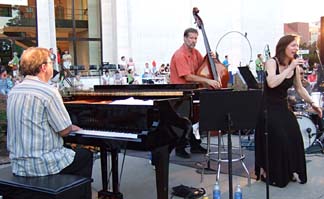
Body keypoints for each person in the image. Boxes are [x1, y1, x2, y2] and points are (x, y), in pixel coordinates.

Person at [6, 47, 93, 199]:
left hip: (18, 164)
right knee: (85, 155)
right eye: (52, 63)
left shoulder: (14, 91)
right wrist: (74, 127)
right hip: (41, 164)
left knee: (69, 151)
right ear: (43, 67)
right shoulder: (48, 91)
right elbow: (64, 130)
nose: (54, 67)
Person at [254, 35, 322, 188]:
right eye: (293, 45)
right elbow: (271, 83)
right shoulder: (272, 63)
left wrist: (312, 103)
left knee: (294, 136)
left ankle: (291, 170)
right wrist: (290, 68)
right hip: (268, 108)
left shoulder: (295, 67)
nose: (296, 49)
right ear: (283, 46)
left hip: (283, 107)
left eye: (297, 46)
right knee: (280, 137)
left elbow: (299, 88)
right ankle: (272, 173)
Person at [170, 27, 221, 158]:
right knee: (184, 121)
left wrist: (211, 58)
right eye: (191, 38)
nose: (194, 41)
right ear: (185, 38)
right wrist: (208, 81)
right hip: (181, 93)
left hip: (192, 91)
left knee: (194, 119)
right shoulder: (179, 55)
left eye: (196, 38)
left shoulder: (195, 53)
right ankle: (179, 148)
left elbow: (202, 66)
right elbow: (188, 76)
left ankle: (195, 145)